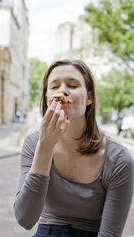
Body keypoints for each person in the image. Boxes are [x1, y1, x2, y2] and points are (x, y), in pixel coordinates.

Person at [14, 60, 134, 237]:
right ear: (47, 98)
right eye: (54, 86)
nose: (62, 91)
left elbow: (109, 234)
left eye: (72, 85)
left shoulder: (118, 159)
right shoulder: (34, 144)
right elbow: (25, 219)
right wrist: (45, 147)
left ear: (89, 97)